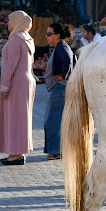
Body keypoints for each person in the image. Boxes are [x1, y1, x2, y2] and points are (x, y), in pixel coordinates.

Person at [0, 11, 36, 165]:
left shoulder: (15, 40)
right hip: (26, 81)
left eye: (10, 20)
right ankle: (17, 151)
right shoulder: (28, 38)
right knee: (21, 118)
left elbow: (9, 67)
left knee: (14, 118)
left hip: (16, 82)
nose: (8, 23)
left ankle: (16, 154)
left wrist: (5, 87)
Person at [43, 23, 74, 160]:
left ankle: (54, 151)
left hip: (59, 88)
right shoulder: (60, 47)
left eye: (49, 34)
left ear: (58, 35)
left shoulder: (62, 47)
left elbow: (67, 59)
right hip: (59, 88)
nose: (47, 36)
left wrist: (64, 75)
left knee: (52, 121)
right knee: (57, 121)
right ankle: (57, 150)